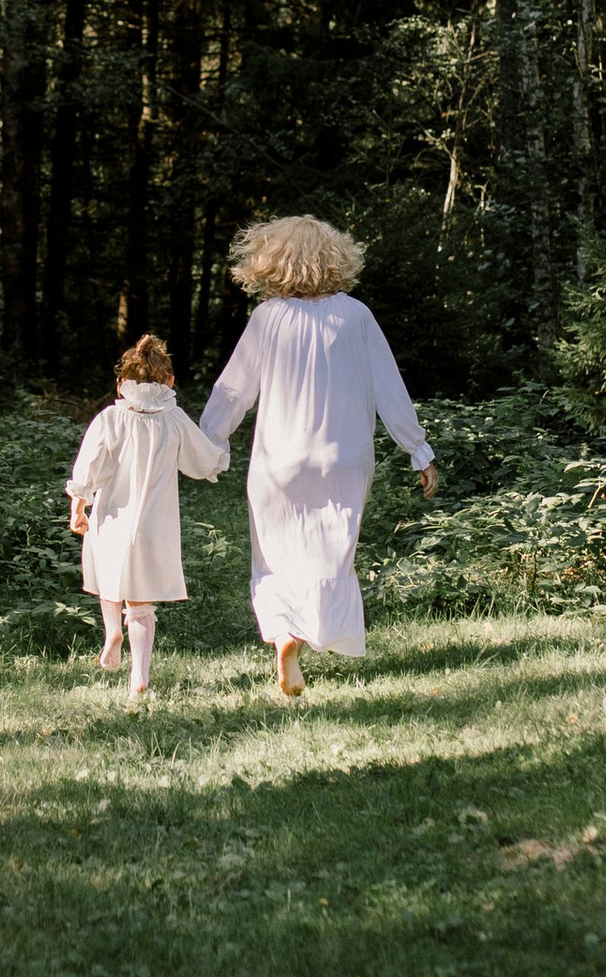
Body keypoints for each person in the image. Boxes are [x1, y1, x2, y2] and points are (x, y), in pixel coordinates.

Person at [198, 215, 436, 697]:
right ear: (336, 258)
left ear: (272, 260)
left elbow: (233, 390)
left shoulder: (268, 318)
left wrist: (210, 444)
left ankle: (285, 634)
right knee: (332, 553)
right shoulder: (357, 315)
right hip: (343, 459)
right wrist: (418, 449)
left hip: (279, 462)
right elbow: (391, 389)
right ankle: (310, 632)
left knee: (273, 554)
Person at [66, 331, 227, 704]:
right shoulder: (174, 420)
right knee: (141, 601)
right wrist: (220, 450)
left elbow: (89, 466)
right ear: (169, 382)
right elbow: (203, 460)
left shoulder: (110, 419)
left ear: (122, 384)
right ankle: (139, 675)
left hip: (111, 517)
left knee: (109, 574)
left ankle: (112, 634)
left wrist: (79, 503)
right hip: (156, 524)